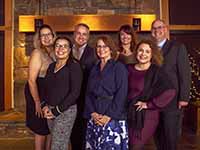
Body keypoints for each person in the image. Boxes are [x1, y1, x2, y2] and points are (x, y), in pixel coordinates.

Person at [127, 39, 176, 150]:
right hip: (128, 113)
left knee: (135, 146)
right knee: (127, 145)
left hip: (147, 116)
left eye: (147, 51)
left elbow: (170, 91)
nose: (143, 54)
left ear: (152, 54)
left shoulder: (156, 71)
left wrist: (149, 104)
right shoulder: (128, 68)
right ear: (136, 52)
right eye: (140, 50)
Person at [151, 19, 191, 150]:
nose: (157, 30)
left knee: (170, 136)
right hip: (154, 100)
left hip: (172, 101)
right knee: (158, 136)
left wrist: (184, 98)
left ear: (166, 29)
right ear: (152, 32)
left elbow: (185, 73)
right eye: (154, 28)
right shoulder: (148, 49)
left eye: (160, 27)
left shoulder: (177, 47)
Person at [84, 35, 129, 150]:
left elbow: (122, 94)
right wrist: (92, 113)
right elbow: (88, 93)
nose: (101, 49)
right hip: (95, 116)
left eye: (105, 46)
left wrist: (109, 116)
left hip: (112, 116)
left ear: (111, 49)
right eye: (98, 46)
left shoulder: (119, 67)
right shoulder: (94, 68)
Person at [42, 36, 82, 150]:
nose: (61, 48)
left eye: (65, 46)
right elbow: (46, 88)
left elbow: (75, 93)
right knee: (59, 142)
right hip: (49, 110)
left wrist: (56, 111)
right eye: (58, 45)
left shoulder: (74, 66)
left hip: (65, 112)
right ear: (54, 48)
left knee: (57, 146)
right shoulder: (51, 66)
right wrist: (44, 106)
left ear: (70, 50)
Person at [24, 24, 55, 150]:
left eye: (48, 34)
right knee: (41, 128)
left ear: (53, 36)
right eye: (43, 35)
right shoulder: (37, 53)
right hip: (37, 91)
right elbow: (31, 80)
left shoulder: (54, 52)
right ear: (39, 38)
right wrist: (37, 102)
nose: (46, 38)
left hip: (49, 93)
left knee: (49, 128)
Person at [70, 23, 97, 150]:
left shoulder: (94, 53)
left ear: (88, 37)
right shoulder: (66, 50)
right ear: (74, 34)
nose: (81, 36)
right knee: (73, 134)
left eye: (84, 34)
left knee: (85, 134)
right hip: (69, 100)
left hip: (86, 100)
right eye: (78, 33)